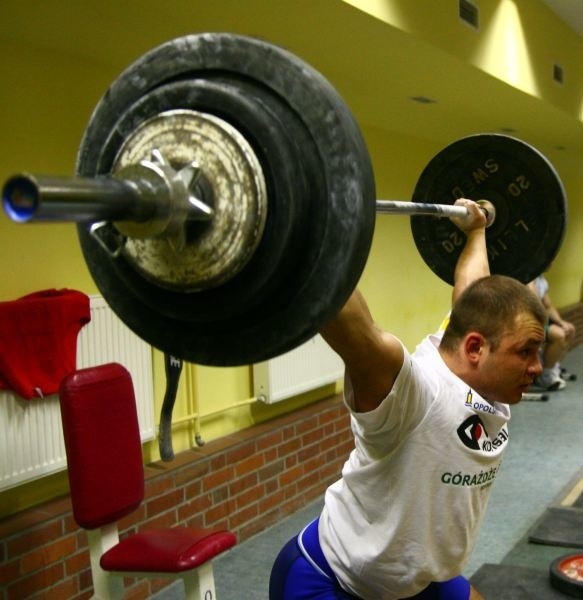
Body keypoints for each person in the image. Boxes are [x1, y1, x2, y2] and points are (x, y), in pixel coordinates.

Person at [269, 199, 548, 600]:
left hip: (416, 581)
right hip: (333, 580)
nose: (537, 367)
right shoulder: (414, 394)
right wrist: (299, 225)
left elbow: (473, 292)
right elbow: (356, 330)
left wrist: (476, 231)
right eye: (526, 352)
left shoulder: (481, 363)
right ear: (475, 349)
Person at [528, 274, 576, 390]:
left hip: (540, 321)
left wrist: (560, 322)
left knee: (569, 329)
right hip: (527, 323)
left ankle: (553, 368)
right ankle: (545, 377)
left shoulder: (542, 280)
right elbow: (534, 304)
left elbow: (548, 307)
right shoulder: (528, 277)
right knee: (558, 335)